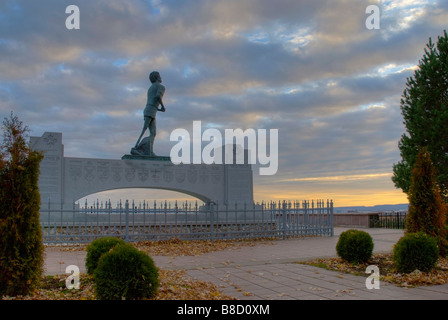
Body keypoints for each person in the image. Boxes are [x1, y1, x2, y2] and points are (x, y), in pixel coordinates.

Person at [134, 71, 166, 156]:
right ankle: (135, 148)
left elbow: (152, 100)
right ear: (157, 78)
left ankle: (149, 151)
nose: (161, 77)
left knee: (152, 133)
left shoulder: (151, 87)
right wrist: (162, 106)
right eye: (159, 76)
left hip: (150, 109)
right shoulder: (161, 87)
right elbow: (158, 96)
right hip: (151, 110)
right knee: (145, 130)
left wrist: (158, 108)